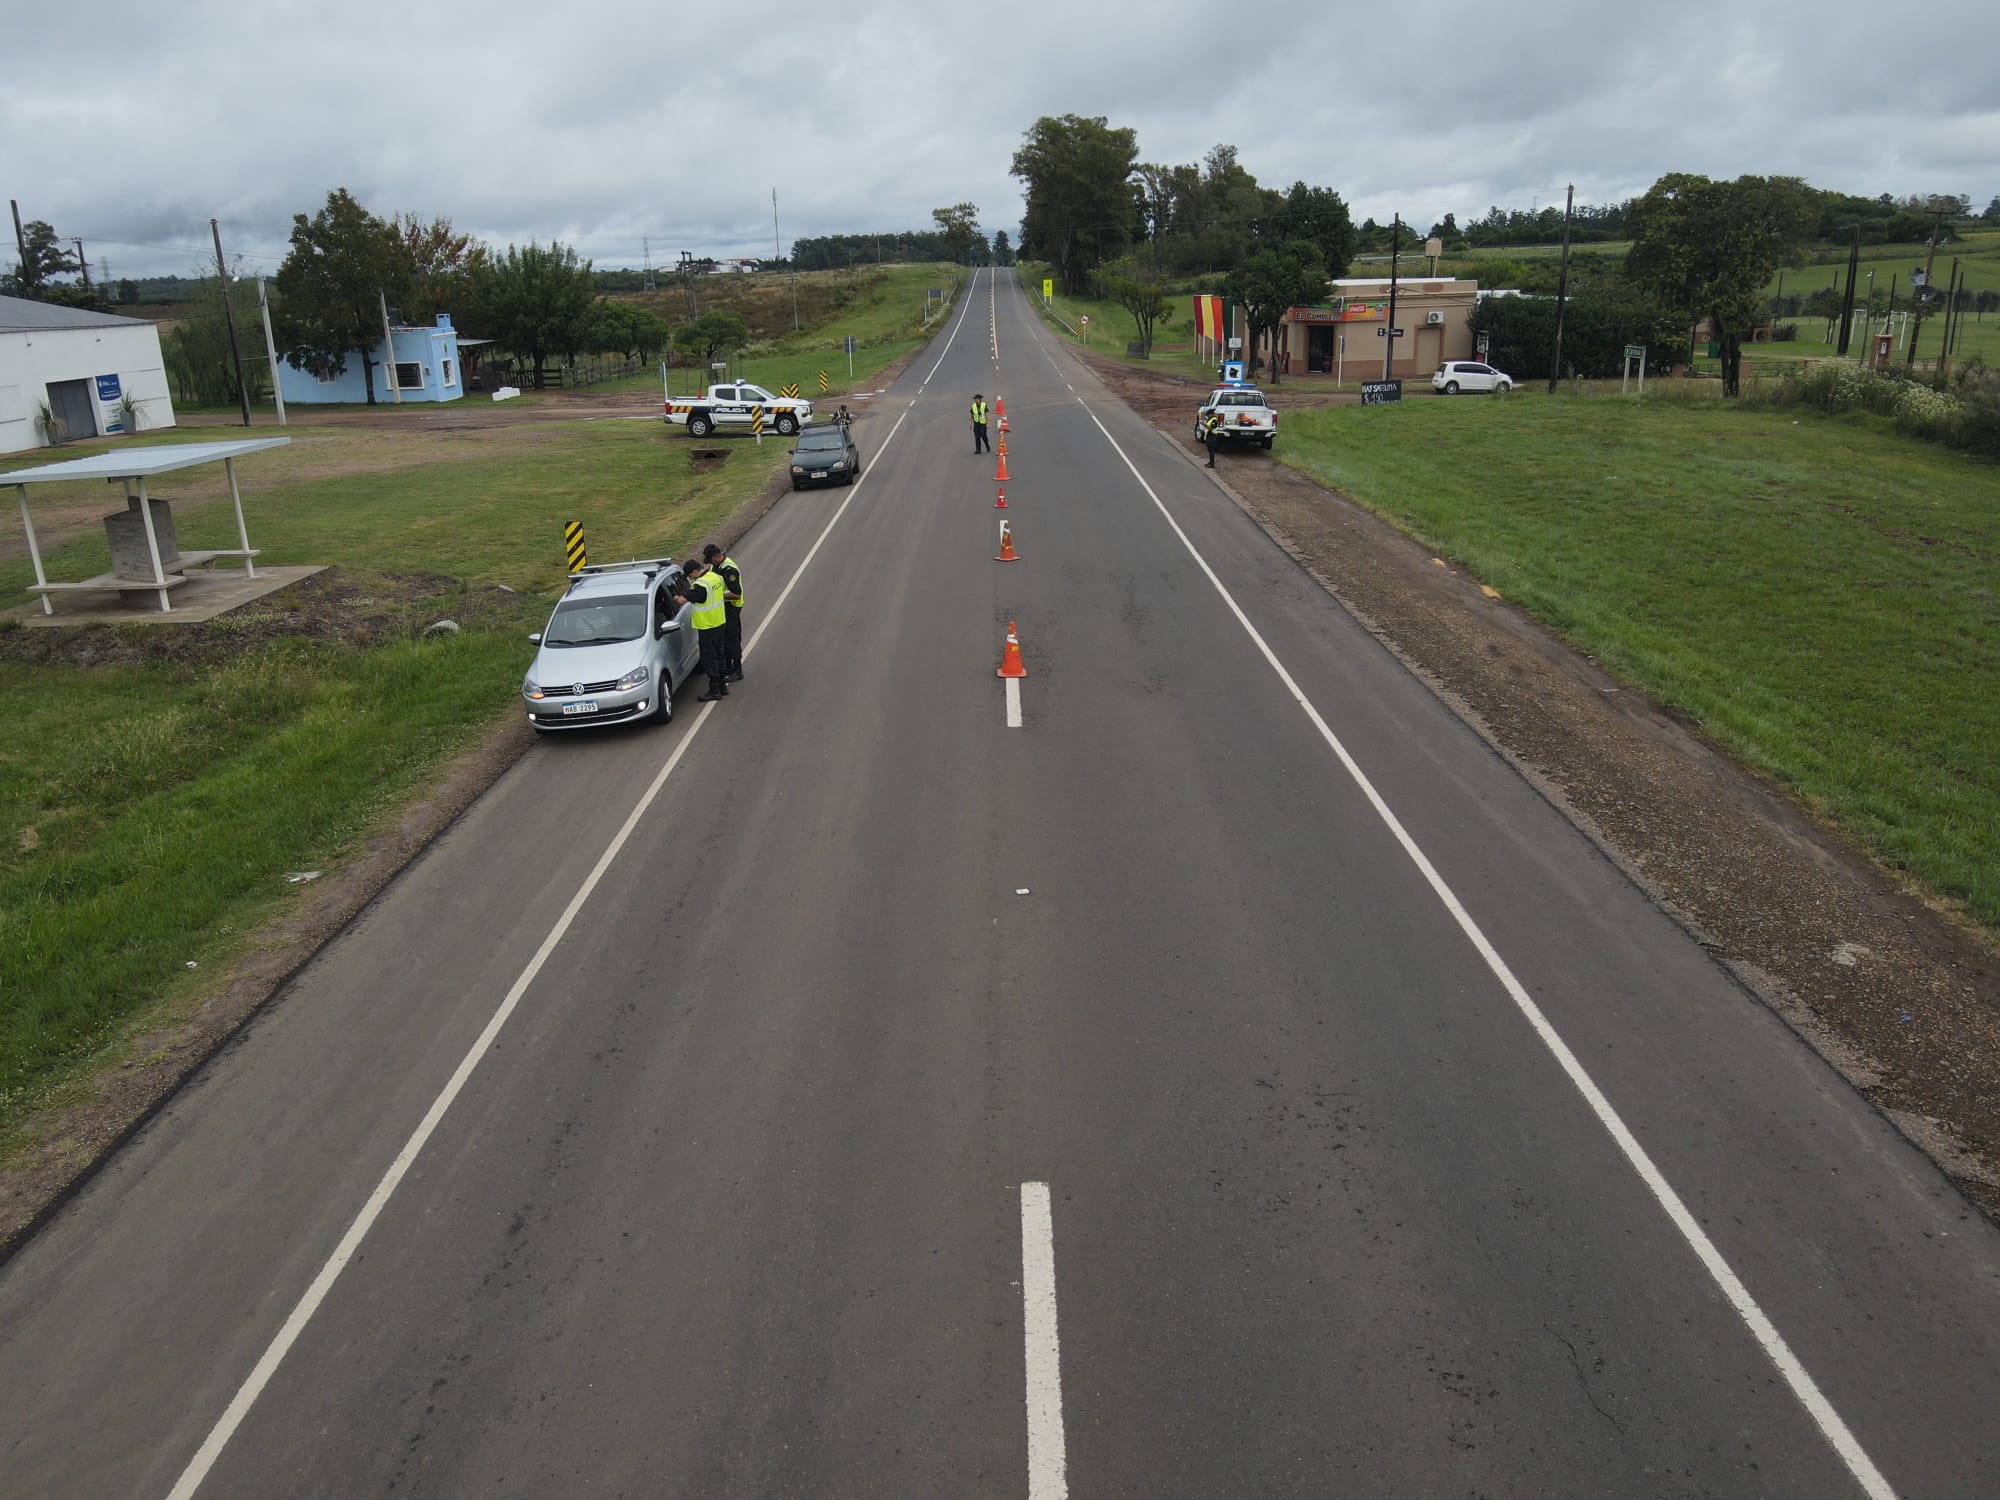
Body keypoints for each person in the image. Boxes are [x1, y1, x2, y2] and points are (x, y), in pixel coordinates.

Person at [674, 557, 730, 701]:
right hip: (720, 622)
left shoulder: (700, 586)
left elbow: (681, 601)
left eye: (690, 575)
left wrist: (674, 596)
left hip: (707, 627)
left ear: (694, 571)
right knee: (720, 655)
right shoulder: (715, 576)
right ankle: (723, 686)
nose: (690, 579)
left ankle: (714, 690)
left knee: (709, 659)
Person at [704, 542, 744, 682]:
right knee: (724, 638)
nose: (710, 563)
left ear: (717, 556)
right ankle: (729, 667)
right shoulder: (716, 566)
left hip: (732, 607)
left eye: (711, 560)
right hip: (723, 608)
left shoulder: (729, 570)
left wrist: (716, 595)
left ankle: (738, 670)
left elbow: (736, 594)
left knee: (732, 638)